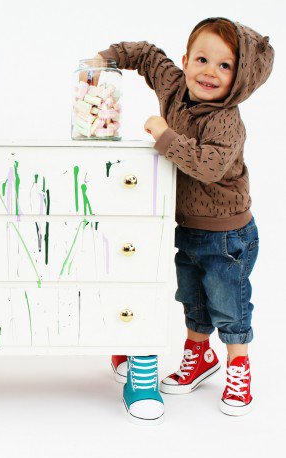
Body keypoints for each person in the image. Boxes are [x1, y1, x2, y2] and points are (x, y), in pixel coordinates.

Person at [98, 17, 274, 422]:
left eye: (225, 66)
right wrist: (106, 58)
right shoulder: (175, 87)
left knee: (230, 305)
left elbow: (208, 165)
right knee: (192, 298)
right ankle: (199, 356)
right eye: (202, 59)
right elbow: (145, 55)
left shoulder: (227, 120)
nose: (209, 72)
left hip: (229, 235)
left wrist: (164, 134)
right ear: (186, 60)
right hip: (188, 227)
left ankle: (238, 367)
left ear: (240, 78)